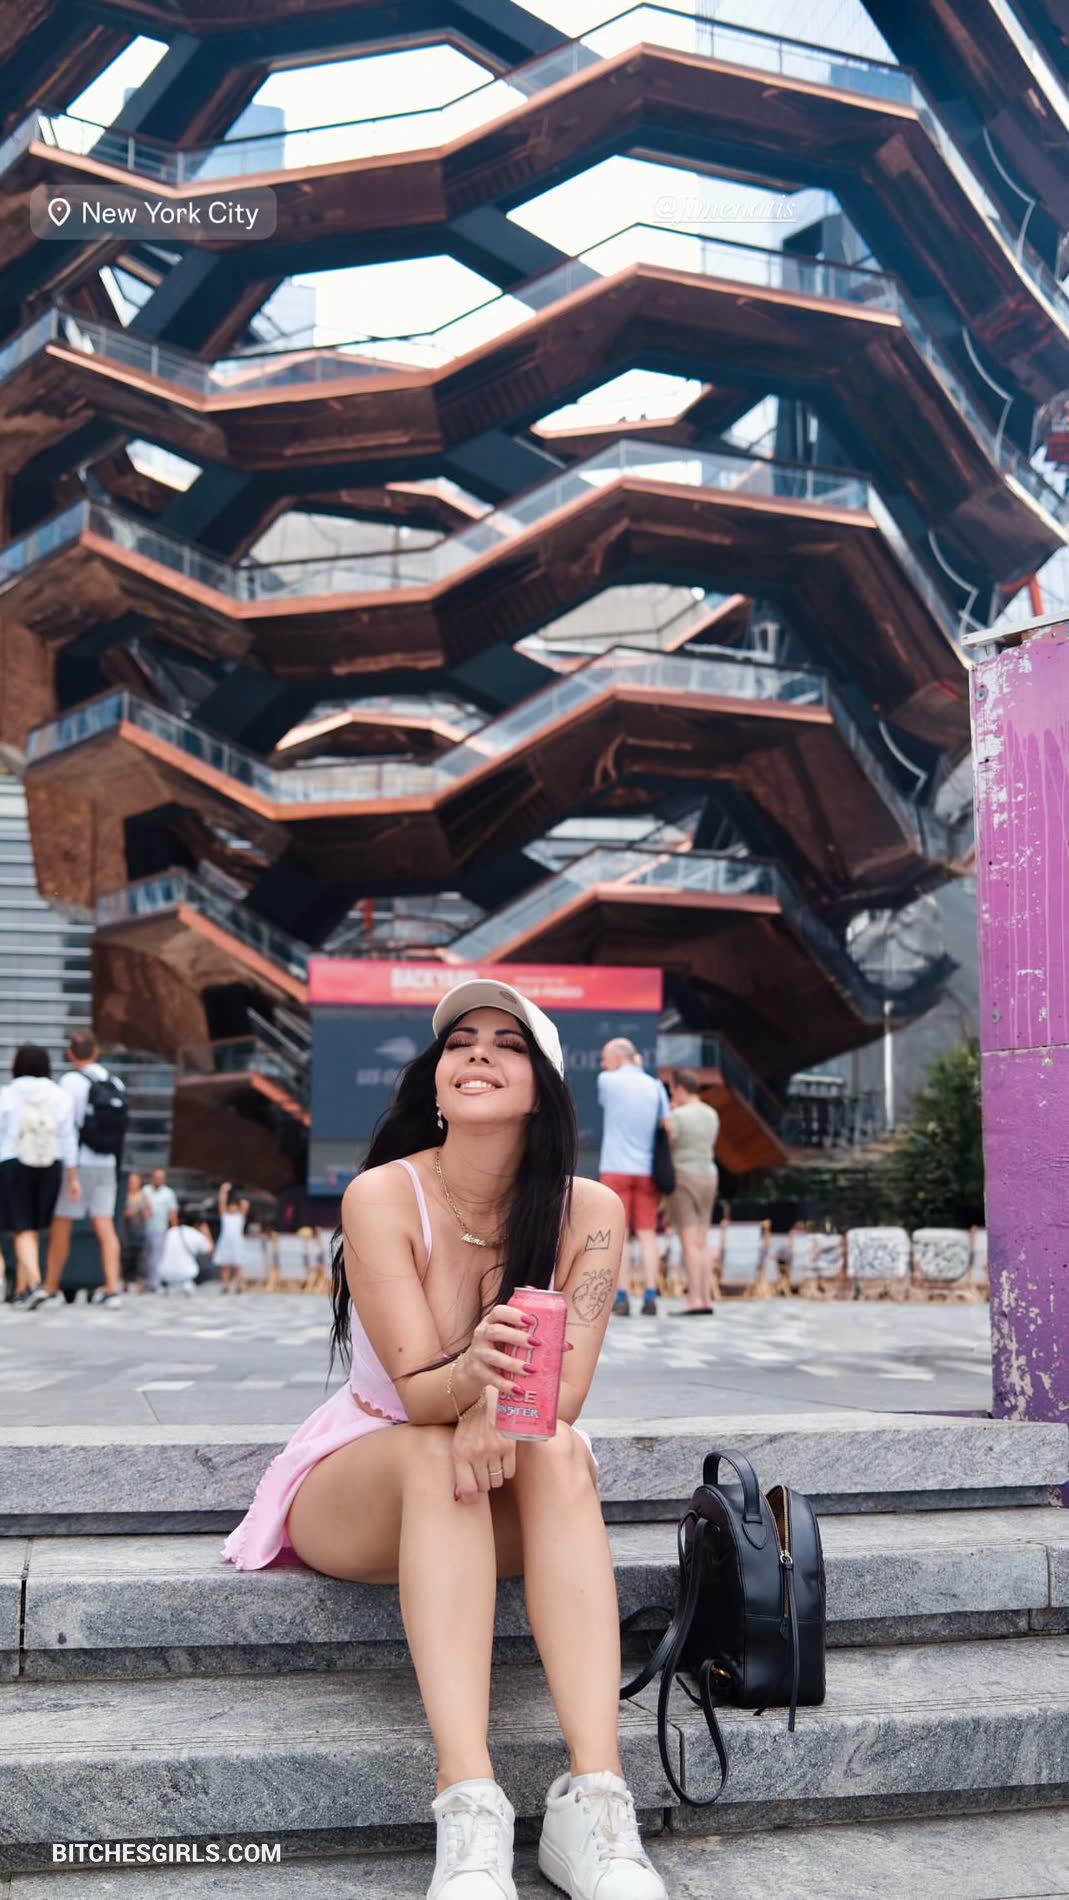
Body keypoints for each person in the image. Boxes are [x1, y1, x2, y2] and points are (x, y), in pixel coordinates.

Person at [221, 979, 666, 1900]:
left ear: (542, 1089)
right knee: (436, 1452)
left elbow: (564, 1397)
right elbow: (418, 1392)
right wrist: (477, 1384)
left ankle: (596, 1800)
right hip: (364, 1477)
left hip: (504, 1474)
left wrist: (489, 1404)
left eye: (507, 1044)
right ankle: (467, 1803)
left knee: (560, 1449)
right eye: (460, 1042)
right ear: (434, 1079)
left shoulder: (587, 1211)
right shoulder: (383, 1194)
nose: (477, 1054)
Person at [29, 1032, 127, 1311]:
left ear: (71, 1054)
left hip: (78, 1163)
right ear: (96, 1052)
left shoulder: (70, 1083)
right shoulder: (114, 1081)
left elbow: (65, 1129)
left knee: (62, 1225)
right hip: (106, 1163)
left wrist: (69, 1172)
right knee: (106, 1227)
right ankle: (112, 1288)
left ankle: (51, 1287)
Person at [597, 1038, 670, 1318]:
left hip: (615, 1167)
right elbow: (667, 1124)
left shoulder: (607, 1081)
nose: (603, 1064)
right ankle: (651, 1295)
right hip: (646, 1169)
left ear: (617, 1058)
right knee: (648, 1234)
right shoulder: (655, 1086)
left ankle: (623, 1296)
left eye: (605, 1058)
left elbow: (605, 1102)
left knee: (621, 1235)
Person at [0, 1045, 78, 1307]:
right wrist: (73, 1176)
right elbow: (68, 1137)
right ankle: (21, 1291)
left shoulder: (7, 1094)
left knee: (21, 1228)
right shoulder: (60, 1096)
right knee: (32, 1228)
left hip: (13, 1162)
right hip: (50, 1164)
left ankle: (34, 1284)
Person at [664, 1069, 720, 1316]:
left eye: (673, 1090)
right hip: (709, 1175)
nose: (672, 1095)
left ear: (681, 1089)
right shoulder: (711, 1113)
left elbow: (670, 1143)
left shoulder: (678, 1115)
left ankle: (694, 1299)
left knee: (688, 1241)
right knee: (702, 1241)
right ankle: (706, 1298)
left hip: (684, 1176)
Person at [157, 1209, 213, 1295]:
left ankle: (167, 1285)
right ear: (197, 1223)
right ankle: (188, 1283)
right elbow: (210, 1250)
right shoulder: (195, 1234)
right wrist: (206, 1232)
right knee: (206, 1266)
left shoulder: (171, 1231)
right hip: (186, 1274)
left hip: (165, 1273)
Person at [140, 1168, 178, 1292]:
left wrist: (174, 1229)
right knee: (145, 1257)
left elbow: (172, 1212)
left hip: (160, 1229)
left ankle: (155, 1283)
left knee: (156, 1257)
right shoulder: (145, 1190)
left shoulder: (169, 1193)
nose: (158, 1180)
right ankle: (145, 1282)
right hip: (143, 1228)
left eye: (160, 1178)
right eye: (156, 1177)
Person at [215, 1181, 250, 1292]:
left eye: (235, 1206)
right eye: (231, 1206)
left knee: (237, 1266)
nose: (233, 1208)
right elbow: (221, 1202)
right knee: (225, 1266)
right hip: (226, 1243)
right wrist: (223, 1191)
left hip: (237, 1243)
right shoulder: (225, 1216)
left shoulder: (240, 1217)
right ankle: (225, 1285)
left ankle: (238, 1285)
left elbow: (245, 1205)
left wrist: (239, 1196)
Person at [121, 1172, 147, 1289]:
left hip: (139, 1231)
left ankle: (140, 1283)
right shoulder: (123, 1195)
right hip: (125, 1231)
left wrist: (138, 1211)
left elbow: (149, 1213)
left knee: (140, 1258)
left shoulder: (144, 1196)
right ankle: (126, 1282)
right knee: (125, 1256)